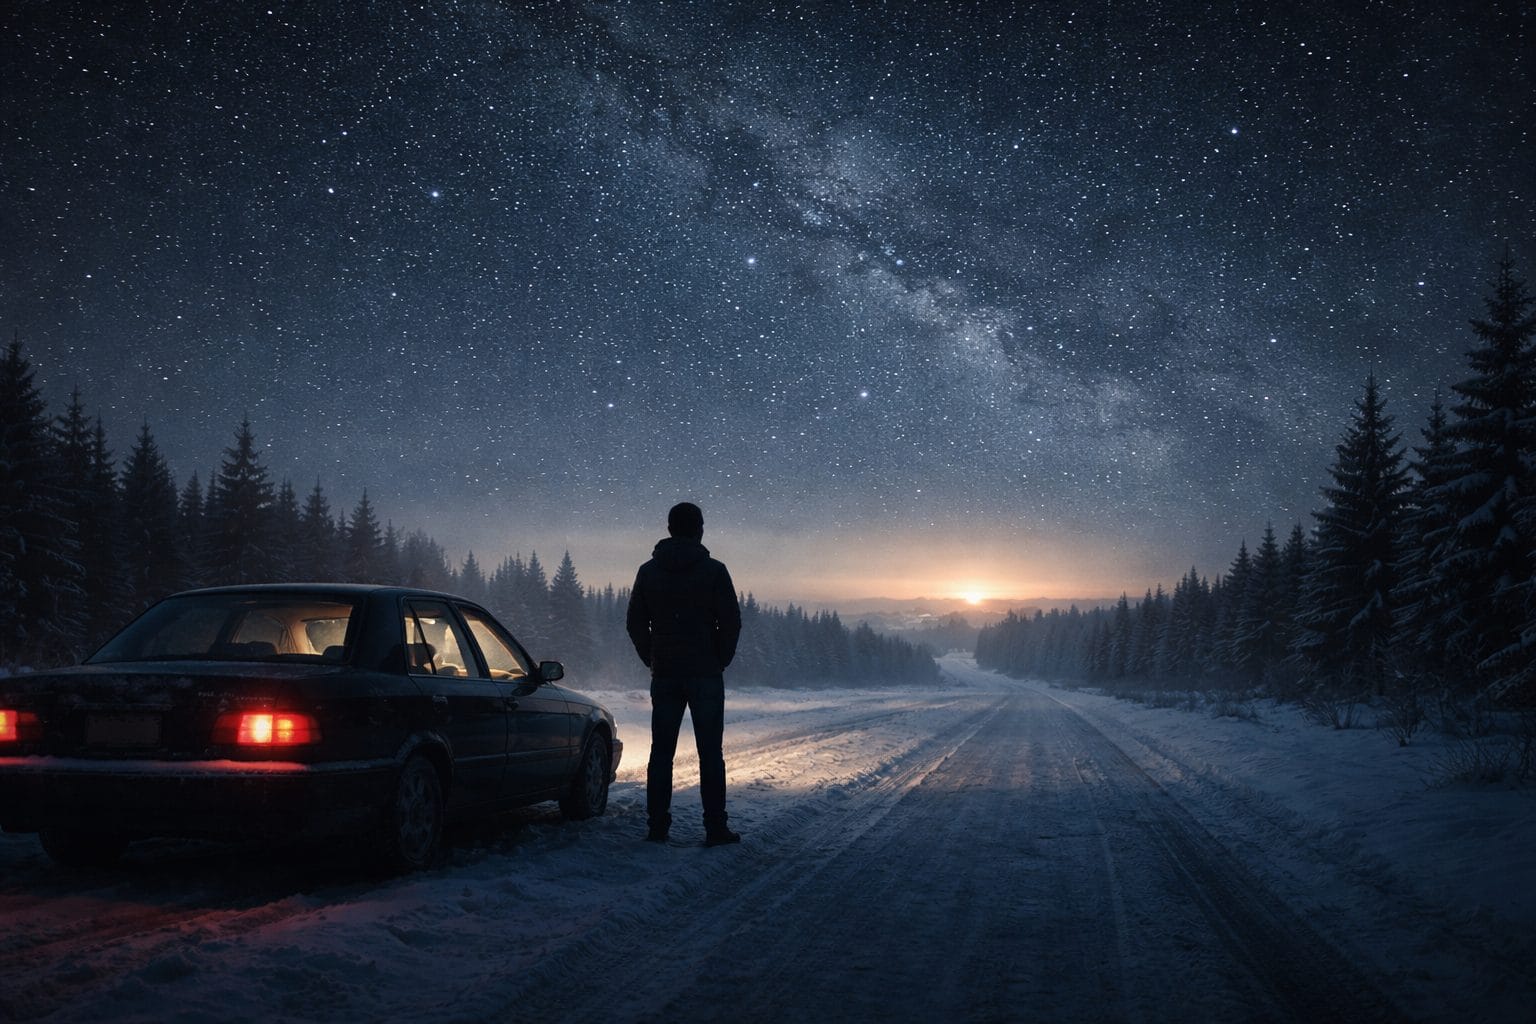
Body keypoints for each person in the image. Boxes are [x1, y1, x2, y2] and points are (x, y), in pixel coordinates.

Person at [626, 501, 743, 846]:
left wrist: (652, 657)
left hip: (665, 673)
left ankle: (657, 827)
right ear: (699, 529)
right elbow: (731, 621)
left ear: (669, 528)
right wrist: (719, 658)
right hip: (705, 672)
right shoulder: (714, 571)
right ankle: (715, 827)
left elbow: (635, 622)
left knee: (661, 752)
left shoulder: (648, 571)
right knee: (711, 753)